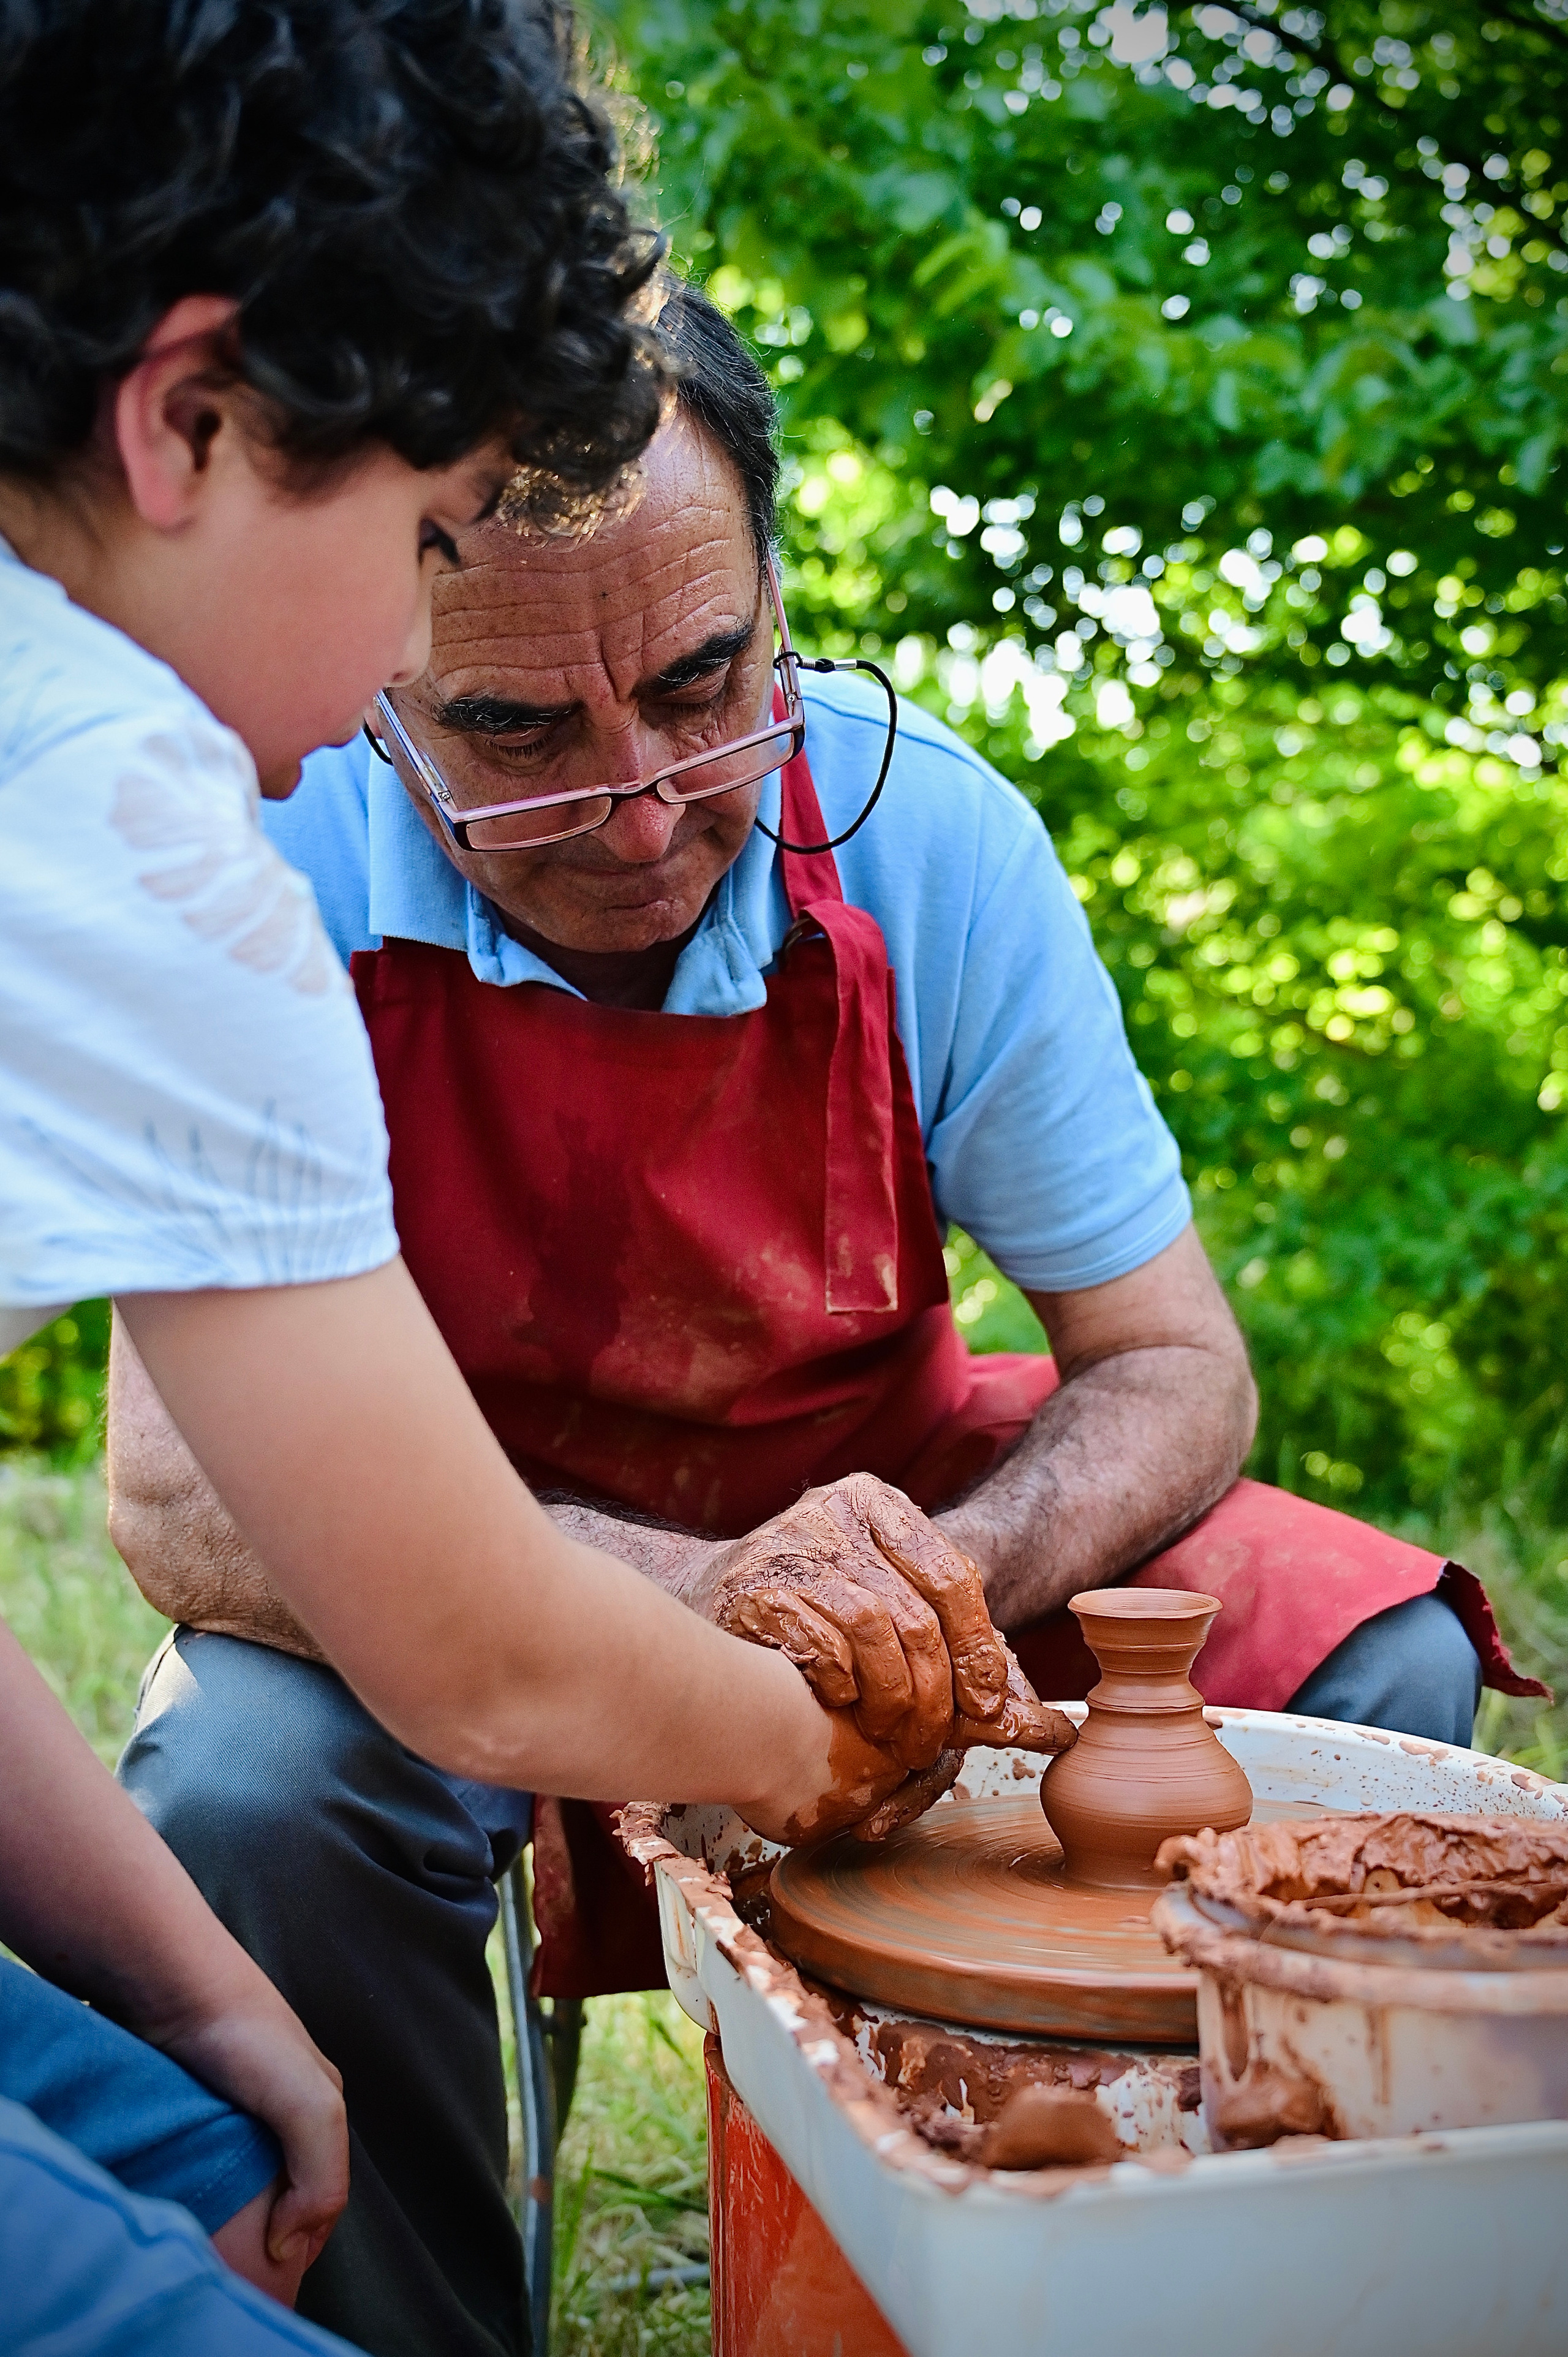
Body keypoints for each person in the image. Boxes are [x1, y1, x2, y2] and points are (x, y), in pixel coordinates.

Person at [105, 276, 1550, 2355]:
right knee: (253, 1793)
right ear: (371, 676)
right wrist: (711, 1599)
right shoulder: (249, 854)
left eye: (706, 683)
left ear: (781, 596)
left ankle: (1215, 2285)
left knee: (1375, 1655)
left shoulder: (929, 829)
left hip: (891, 1508)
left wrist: (942, 1586)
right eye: (519, 732)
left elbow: (1173, 1362)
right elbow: (181, 1501)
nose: (643, 808)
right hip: (441, 1544)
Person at [0, 12, 1033, 2353]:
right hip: (578, 1634)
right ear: (185, 425)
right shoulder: (136, 814)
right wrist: (836, 1755)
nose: (408, 636)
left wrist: (209, 1999)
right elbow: (465, 1641)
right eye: (430, 536)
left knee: (204, 2135)